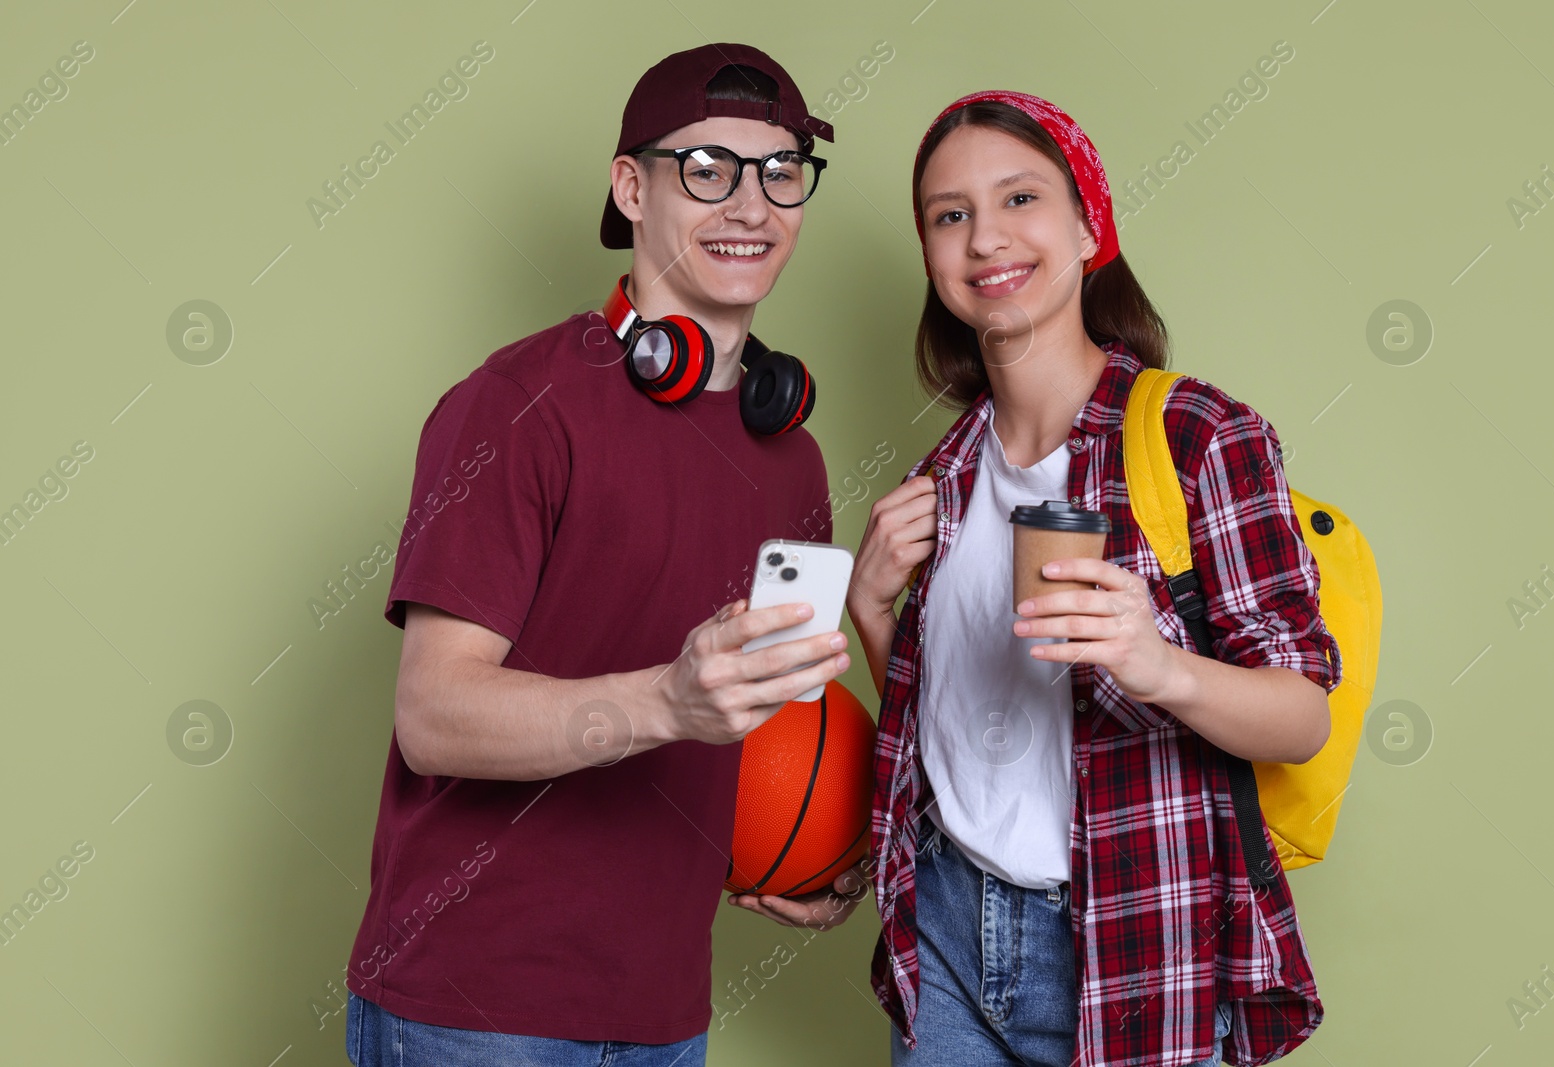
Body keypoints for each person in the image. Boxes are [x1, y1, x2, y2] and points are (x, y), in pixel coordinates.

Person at [341, 44, 868, 1067]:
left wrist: (812, 848)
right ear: (631, 187)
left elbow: (762, 723)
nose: (749, 204)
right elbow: (434, 714)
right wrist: (668, 701)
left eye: (780, 171)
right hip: (472, 1008)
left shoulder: (792, 456)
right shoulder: (514, 407)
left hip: (666, 1011)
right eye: (706, 168)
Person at [846, 91, 1343, 1066]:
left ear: (1087, 227)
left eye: (1019, 197)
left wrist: (1158, 665)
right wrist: (871, 607)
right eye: (949, 215)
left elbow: (1302, 716)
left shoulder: (1197, 437)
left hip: (1131, 936)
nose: (985, 236)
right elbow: (939, 729)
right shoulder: (939, 478)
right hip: (944, 925)